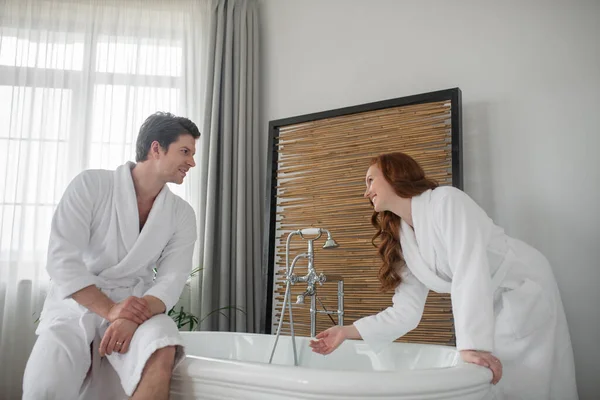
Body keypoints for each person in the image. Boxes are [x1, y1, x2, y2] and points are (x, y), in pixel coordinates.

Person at [309, 152, 578, 399]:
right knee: (492, 379)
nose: (366, 192)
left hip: (523, 287)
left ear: (393, 175)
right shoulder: (404, 238)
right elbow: (405, 311)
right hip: (487, 301)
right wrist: (346, 331)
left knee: (529, 380)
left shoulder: (446, 201)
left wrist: (473, 345)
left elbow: (469, 268)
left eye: (370, 180)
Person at [22, 112, 201, 400]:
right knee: (45, 385)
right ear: (156, 148)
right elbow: (62, 260)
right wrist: (110, 310)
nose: (191, 162)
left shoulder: (181, 214)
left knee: (162, 344)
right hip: (75, 305)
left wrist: (130, 315)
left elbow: (172, 278)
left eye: (192, 154)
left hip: (137, 305)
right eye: (185, 151)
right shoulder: (91, 186)